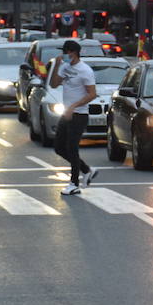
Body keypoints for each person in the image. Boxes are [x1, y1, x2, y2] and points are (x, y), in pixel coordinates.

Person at [47, 39, 97, 195]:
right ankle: (87, 170)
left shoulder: (85, 70)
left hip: (79, 114)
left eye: (65, 52)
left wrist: (74, 106)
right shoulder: (64, 67)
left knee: (72, 148)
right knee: (59, 148)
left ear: (72, 53)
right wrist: (56, 65)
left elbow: (92, 94)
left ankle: (74, 183)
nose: (63, 55)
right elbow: (54, 84)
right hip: (67, 113)